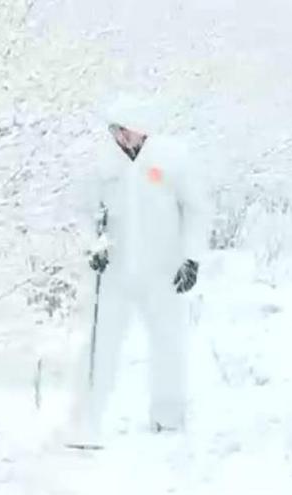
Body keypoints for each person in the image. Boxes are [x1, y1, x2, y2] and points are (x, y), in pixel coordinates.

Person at [66, 93, 208, 447]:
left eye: (124, 130)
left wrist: (191, 258)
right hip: (114, 274)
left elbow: (197, 210)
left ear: (141, 129)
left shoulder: (172, 159)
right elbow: (83, 212)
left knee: (169, 342)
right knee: (100, 345)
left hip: (163, 271)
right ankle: (87, 417)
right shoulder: (103, 165)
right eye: (114, 131)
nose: (119, 138)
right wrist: (92, 245)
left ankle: (168, 417)